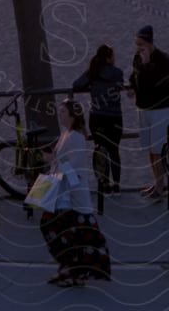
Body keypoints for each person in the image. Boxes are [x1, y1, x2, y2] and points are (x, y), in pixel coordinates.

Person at [39, 100, 111, 285]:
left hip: (73, 196)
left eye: (63, 112)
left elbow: (75, 169)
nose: (60, 115)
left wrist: (53, 160)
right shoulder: (67, 134)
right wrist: (52, 159)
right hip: (65, 195)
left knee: (63, 232)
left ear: (72, 115)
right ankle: (70, 271)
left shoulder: (76, 138)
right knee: (66, 234)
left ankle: (72, 273)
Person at [129, 26, 169, 198]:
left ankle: (160, 185)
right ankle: (157, 181)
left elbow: (159, 84)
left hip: (160, 109)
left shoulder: (163, 60)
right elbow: (134, 76)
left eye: (141, 44)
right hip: (143, 107)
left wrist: (148, 64)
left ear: (149, 43)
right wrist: (132, 87)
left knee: (158, 148)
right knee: (150, 148)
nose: (138, 47)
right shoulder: (137, 58)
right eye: (137, 44)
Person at [72, 44, 125, 192]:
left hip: (97, 116)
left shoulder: (93, 72)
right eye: (113, 56)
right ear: (108, 58)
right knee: (114, 150)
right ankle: (117, 185)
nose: (115, 59)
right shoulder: (118, 73)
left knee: (100, 149)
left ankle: (103, 183)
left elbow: (76, 85)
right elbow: (121, 85)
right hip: (115, 117)